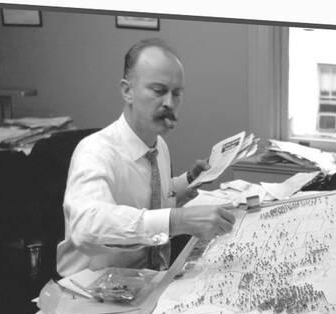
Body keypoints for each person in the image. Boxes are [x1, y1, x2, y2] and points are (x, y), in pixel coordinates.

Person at [56, 38, 235, 277]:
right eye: (159, 91)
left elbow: (150, 199)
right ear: (127, 91)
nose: (169, 103)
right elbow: (86, 226)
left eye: (177, 93)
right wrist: (177, 220)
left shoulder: (158, 145)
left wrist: (188, 181)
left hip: (147, 282)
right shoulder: (94, 151)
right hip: (92, 291)